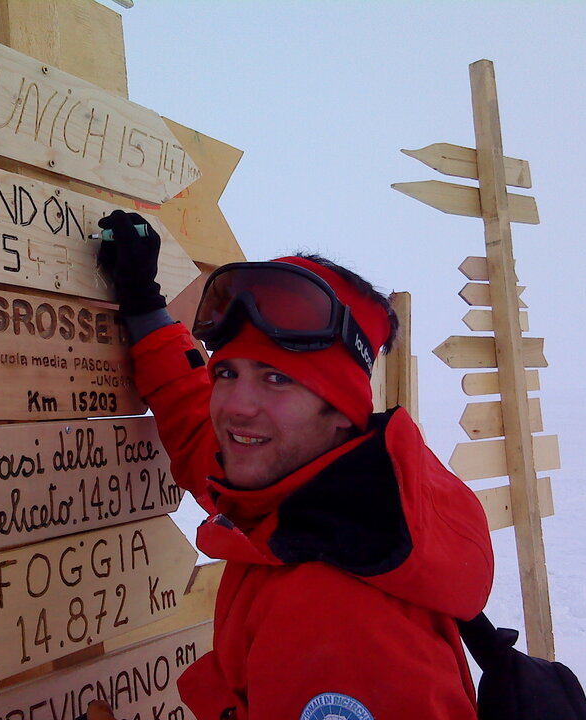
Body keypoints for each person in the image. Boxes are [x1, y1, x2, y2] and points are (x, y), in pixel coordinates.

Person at [95, 210, 494, 720]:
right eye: (228, 373)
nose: (236, 406)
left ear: (341, 411)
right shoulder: (317, 499)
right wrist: (143, 304)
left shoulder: (334, 617)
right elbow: (199, 430)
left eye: (277, 379)